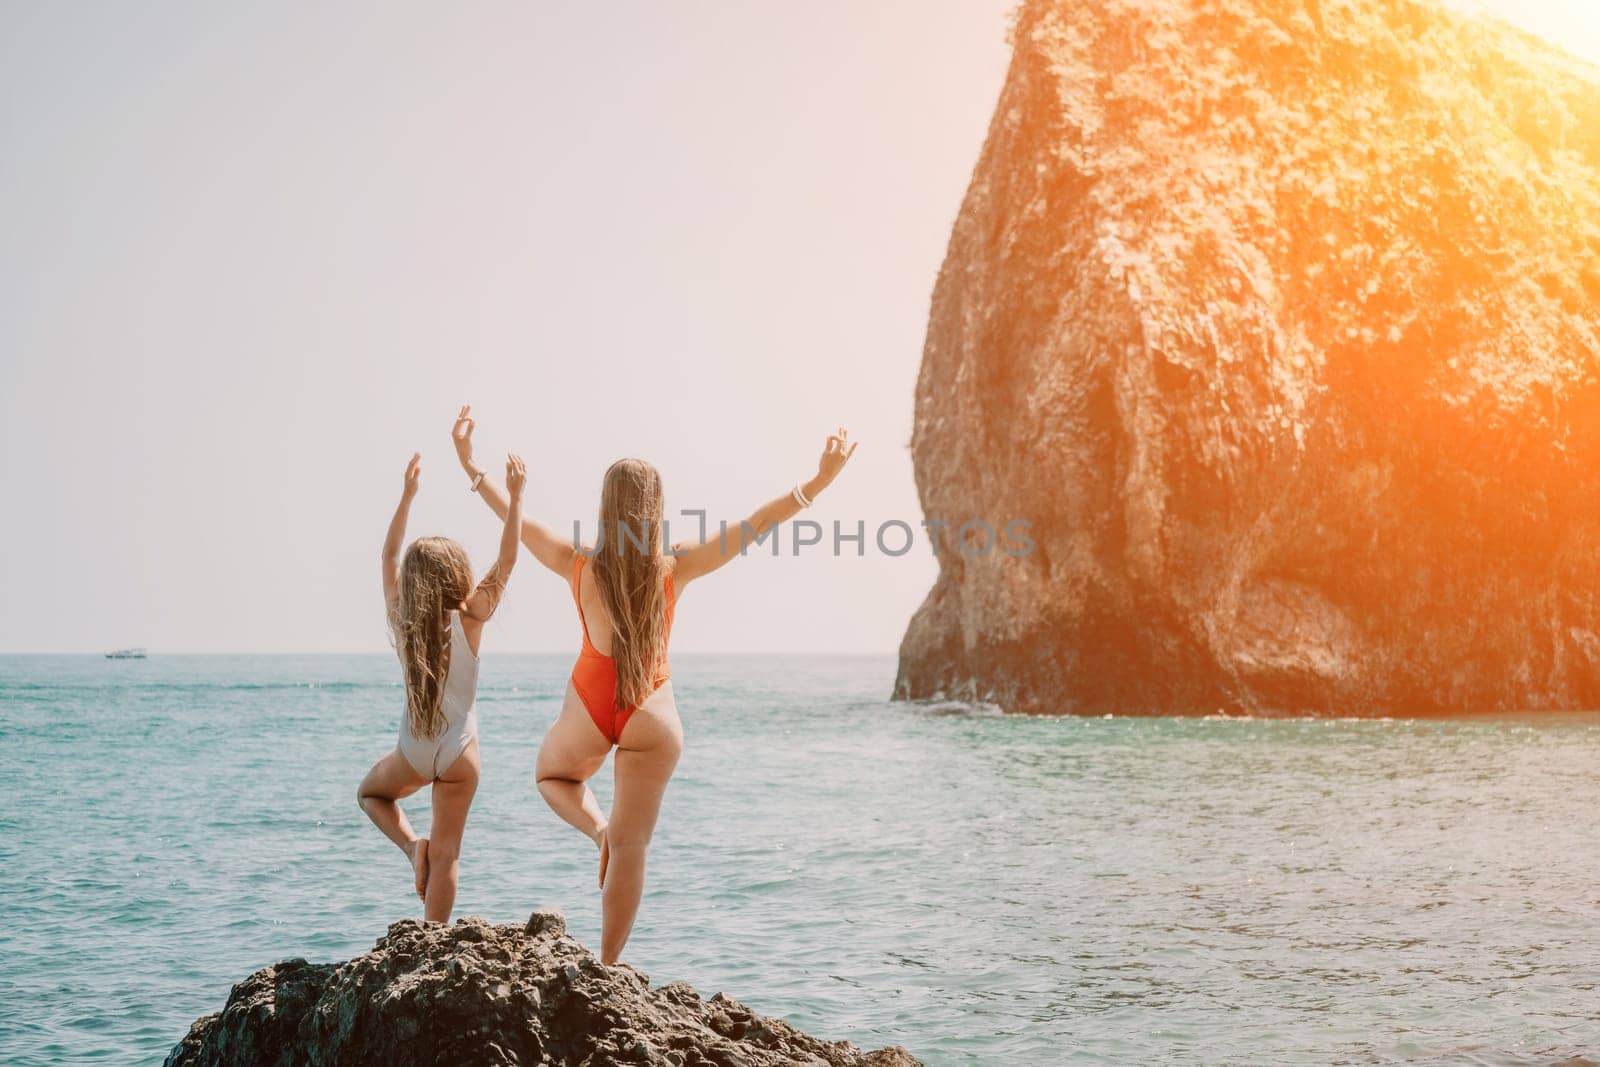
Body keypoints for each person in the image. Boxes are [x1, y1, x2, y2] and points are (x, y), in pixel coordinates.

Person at [451, 405, 857, 962]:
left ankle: (596, 832)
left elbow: (516, 528)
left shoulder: (578, 565)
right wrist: (818, 483)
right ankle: (608, 967)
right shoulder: (677, 565)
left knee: (552, 776)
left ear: (605, 507)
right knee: (633, 844)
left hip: (590, 706)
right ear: (655, 510)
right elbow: (756, 525)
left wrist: (473, 468)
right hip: (653, 712)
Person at [356, 449, 527, 922]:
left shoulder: (402, 620)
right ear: (458, 576)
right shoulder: (472, 618)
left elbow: (389, 555)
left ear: (412, 584)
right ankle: (433, 942)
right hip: (460, 751)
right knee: (448, 854)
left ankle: (412, 847)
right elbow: (508, 559)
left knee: (370, 794)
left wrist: (407, 495)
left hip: (414, 748)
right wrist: (515, 497)